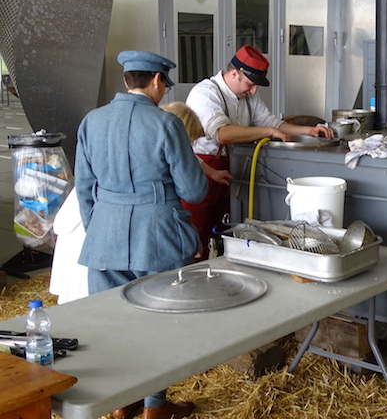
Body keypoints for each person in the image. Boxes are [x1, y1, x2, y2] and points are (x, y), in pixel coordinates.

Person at [75, 51, 207, 419]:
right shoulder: (167, 124)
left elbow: (84, 189)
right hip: (158, 237)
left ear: (125, 80)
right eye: (165, 84)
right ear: (157, 80)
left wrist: (99, 230)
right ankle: (154, 407)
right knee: (159, 324)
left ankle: (121, 401)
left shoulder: (91, 121)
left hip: (104, 237)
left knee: (111, 324)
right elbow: (194, 191)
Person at [184, 44, 333, 247]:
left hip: (232, 168)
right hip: (204, 169)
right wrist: (267, 132)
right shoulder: (206, 93)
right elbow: (222, 134)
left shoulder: (248, 95)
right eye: (250, 84)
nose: (253, 90)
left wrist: (308, 130)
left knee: (225, 230)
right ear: (234, 74)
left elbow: (272, 123)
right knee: (197, 233)